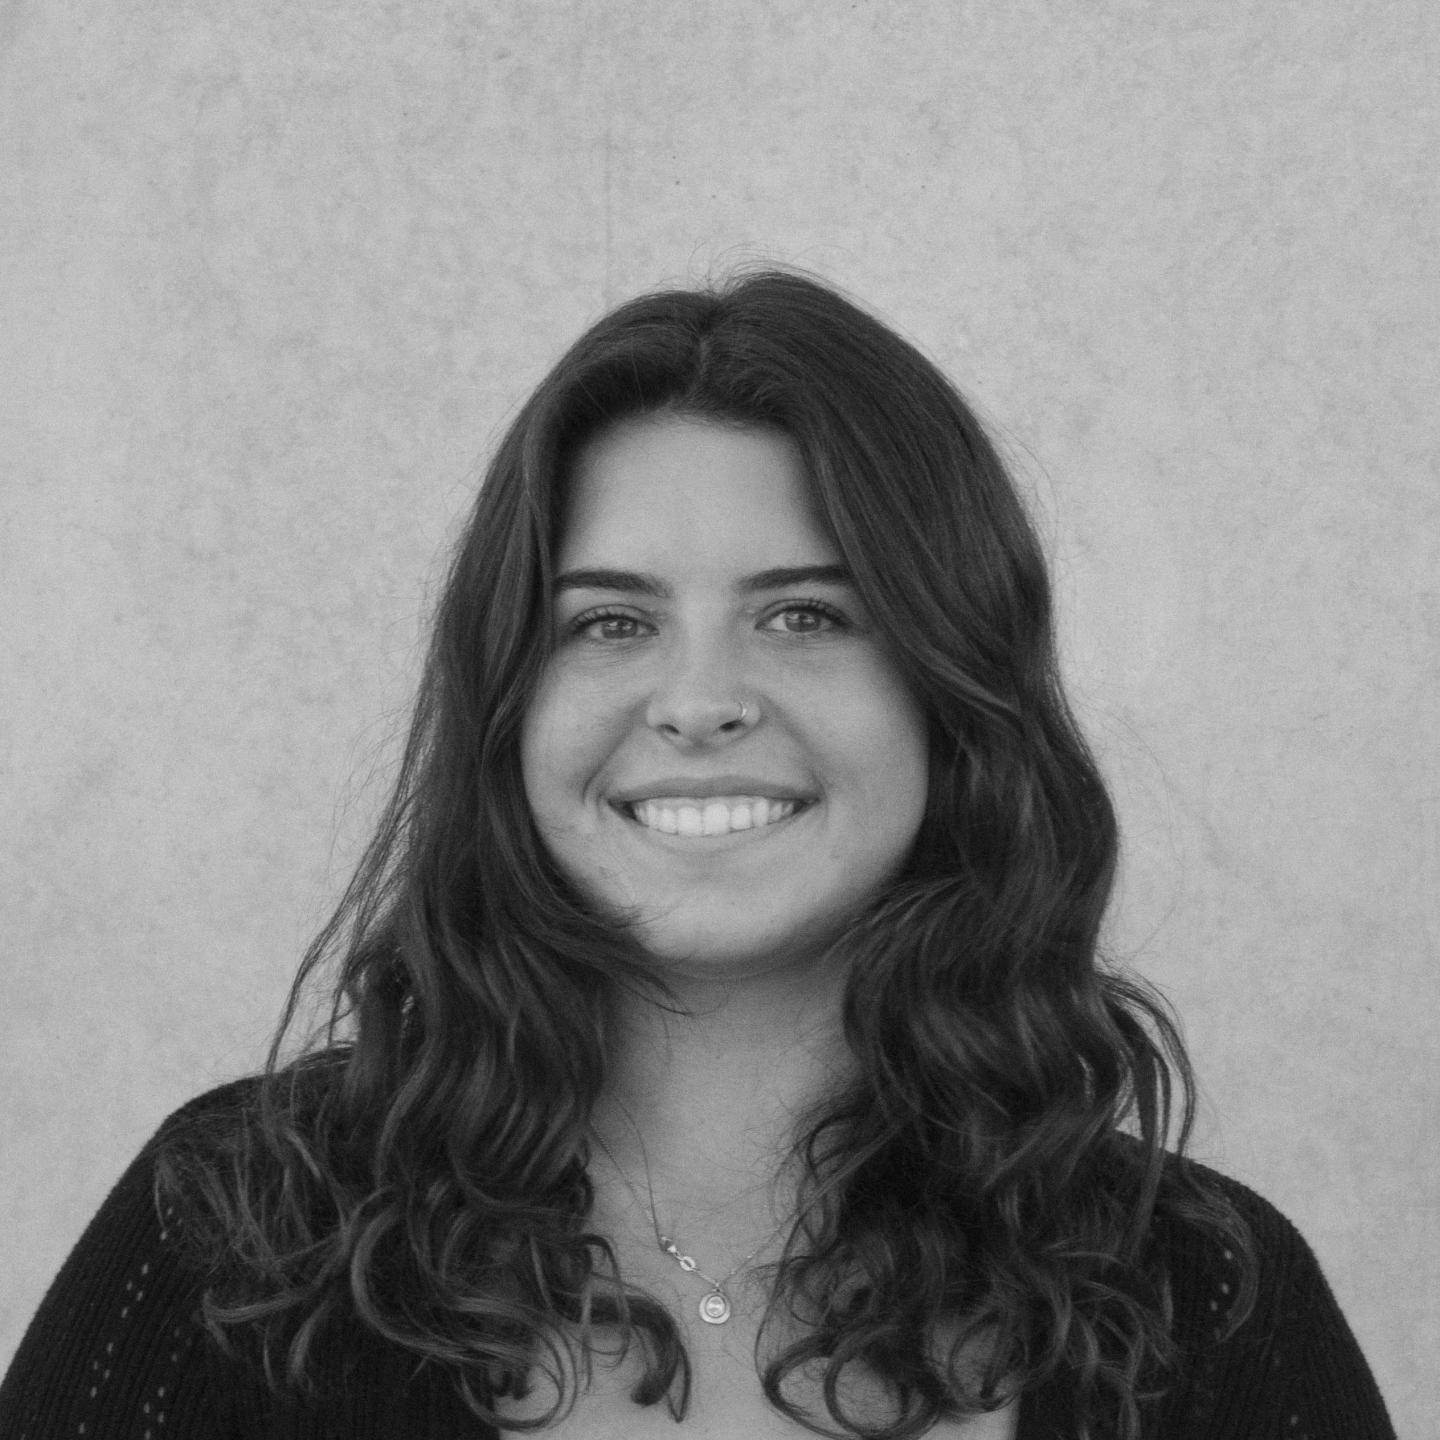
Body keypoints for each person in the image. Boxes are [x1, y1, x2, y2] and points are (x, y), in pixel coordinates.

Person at [0, 271, 1396, 1440]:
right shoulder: (240, 1233)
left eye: (805, 617)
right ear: (506, 707)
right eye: (610, 622)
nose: (699, 699)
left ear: (950, 697)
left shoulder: (1207, 1300)